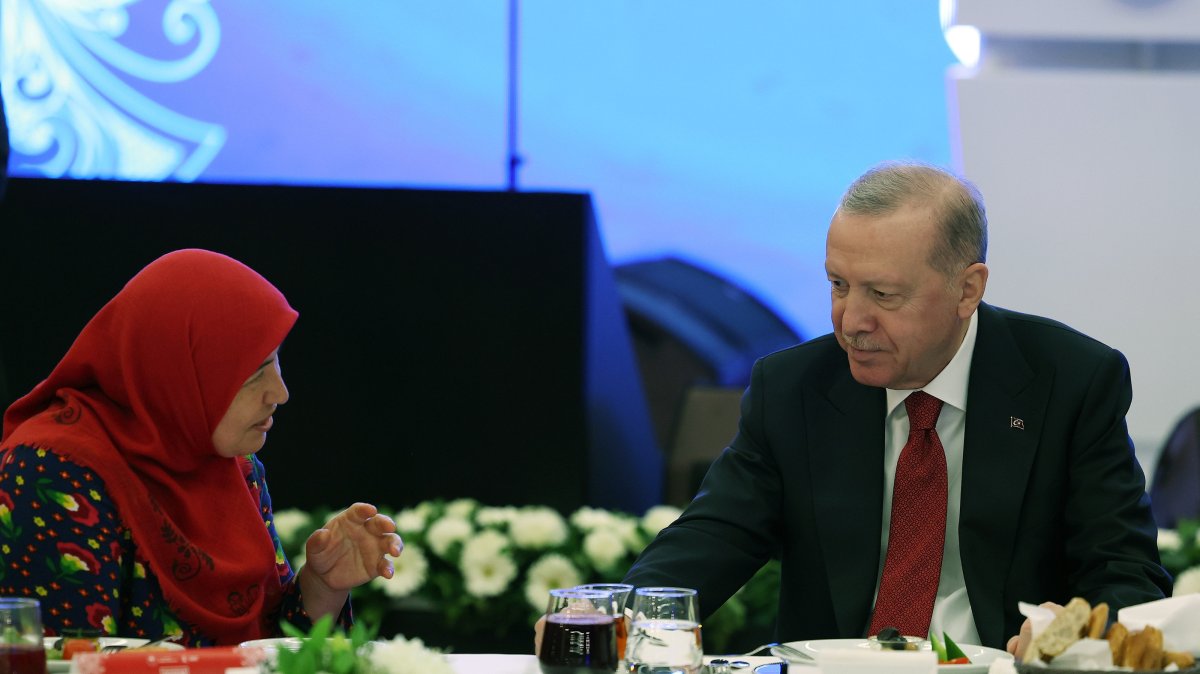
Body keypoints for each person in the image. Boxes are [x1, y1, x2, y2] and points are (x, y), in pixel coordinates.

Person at [620, 161, 1170, 655]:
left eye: (883, 295)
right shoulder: (793, 388)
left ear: (967, 289)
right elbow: (713, 537)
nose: (851, 321)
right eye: (839, 285)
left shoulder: (1069, 382)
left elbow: (1124, 572)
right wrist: (613, 623)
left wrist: (1074, 633)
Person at [0, 249, 403, 645]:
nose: (279, 393)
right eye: (251, 373)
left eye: (276, 361)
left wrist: (322, 586)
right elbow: (63, 660)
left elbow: (268, 649)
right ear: (176, 371)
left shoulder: (232, 460)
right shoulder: (52, 468)